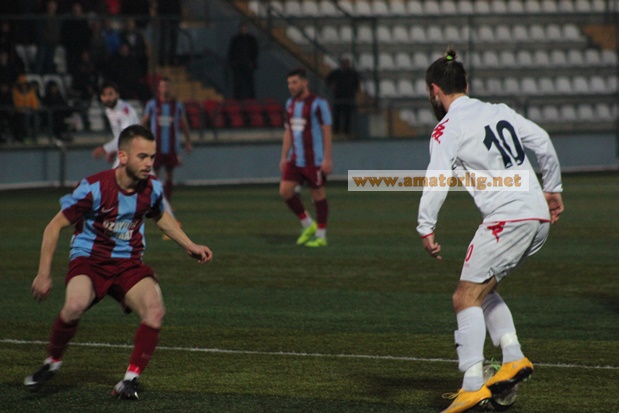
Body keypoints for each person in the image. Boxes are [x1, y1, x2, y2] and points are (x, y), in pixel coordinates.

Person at [416, 49, 564, 413]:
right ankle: (512, 355)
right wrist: (552, 188)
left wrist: (426, 225)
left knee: (464, 298)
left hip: (507, 218)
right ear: (466, 85)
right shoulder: (499, 111)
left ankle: (471, 384)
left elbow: (437, 178)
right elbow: (542, 140)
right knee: (482, 291)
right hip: (536, 216)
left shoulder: (446, 128)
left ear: (434, 90)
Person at [24, 124, 213, 399]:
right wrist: (43, 274)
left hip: (128, 264)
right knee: (74, 305)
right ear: (122, 156)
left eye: (152, 156)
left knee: (155, 310)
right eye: (142, 156)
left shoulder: (152, 188)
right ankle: (52, 363)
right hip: (89, 260)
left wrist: (190, 245)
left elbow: (160, 216)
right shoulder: (93, 187)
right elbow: (53, 227)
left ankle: (129, 381)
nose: (149, 163)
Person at [93, 80, 178, 233]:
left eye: (110, 94)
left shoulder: (124, 110)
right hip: (129, 152)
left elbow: (126, 137)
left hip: (136, 153)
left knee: (115, 184)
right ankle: (114, 222)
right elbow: (120, 137)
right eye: (104, 95)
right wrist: (113, 150)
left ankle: (109, 223)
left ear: (117, 95)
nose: (107, 98)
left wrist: (105, 149)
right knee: (144, 187)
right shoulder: (110, 110)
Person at [279, 68, 333, 247]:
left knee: (318, 195)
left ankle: (321, 235)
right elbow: (288, 131)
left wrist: (327, 158)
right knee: (285, 191)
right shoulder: (290, 104)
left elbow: (327, 131)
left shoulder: (318, 104)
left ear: (304, 83)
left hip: (314, 160)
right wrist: (284, 156)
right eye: (289, 83)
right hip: (296, 158)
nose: (291, 86)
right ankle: (308, 224)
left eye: (294, 82)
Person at [141, 77, 192, 204]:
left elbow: (184, 124)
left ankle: (167, 201)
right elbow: (144, 122)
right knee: (154, 174)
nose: (165, 89)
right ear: (159, 88)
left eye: (168, 86)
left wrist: (188, 141)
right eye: (163, 86)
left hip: (171, 146)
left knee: (169, 175)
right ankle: (154, 201)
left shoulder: (177, 106)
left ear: (171, 88)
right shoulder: (152, 104)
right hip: (155, 146)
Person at [325, 57, 360, 137]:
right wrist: (331, 86)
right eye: (344, 63)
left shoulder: (353, 73)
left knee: (347, 115)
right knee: (337, 115)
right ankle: (336, 132)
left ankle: (346, 132)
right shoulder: (336, 73)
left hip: (349, 97)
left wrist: (354, 91)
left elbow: (357, 84)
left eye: (347, 63)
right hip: (339, 96)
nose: (345, 65)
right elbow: (328, 79)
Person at [227, 22, 258, 100]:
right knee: (237, 83)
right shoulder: (235, 39)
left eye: (245, 28)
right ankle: (237, 99)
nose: (244, 29)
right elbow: (231, 51)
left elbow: (255, 51)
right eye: (243, 28)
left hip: (248, 64)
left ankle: (252, 99)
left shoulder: (251, 39)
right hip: (238, 65)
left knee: (250, 83)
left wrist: (252, 62)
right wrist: (233, 62)